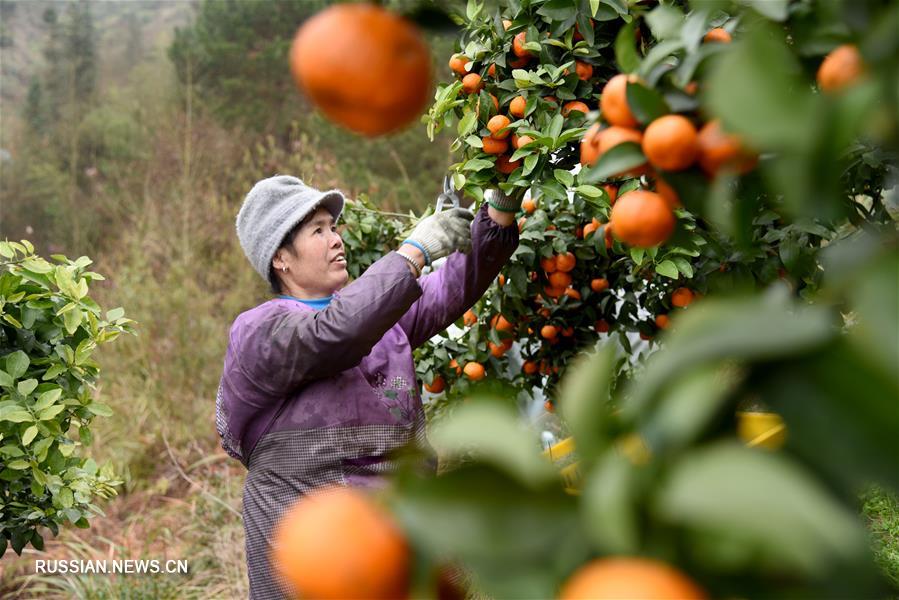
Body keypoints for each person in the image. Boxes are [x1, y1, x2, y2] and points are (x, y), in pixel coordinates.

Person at [216, 175, 520, 599]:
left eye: (333, 227)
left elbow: (455, 285)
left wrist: (499, 209)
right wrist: (413, 251)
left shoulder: (381, 323)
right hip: (315, 563)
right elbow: (336, 333)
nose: (336, 239)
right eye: (318, 231)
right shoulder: (259, 332)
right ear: (281, 258)